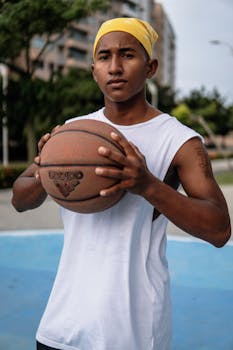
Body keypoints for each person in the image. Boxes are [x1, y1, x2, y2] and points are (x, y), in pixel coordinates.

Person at [12, 17, 231, 350]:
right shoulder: (72, 132)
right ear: (93, 70)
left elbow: (219, 230)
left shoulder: (181, 142)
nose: (114, 67)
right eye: (104, 57)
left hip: (133, 332)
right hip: (61, 326)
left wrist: (148, 185)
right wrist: (47, 173)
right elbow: (19, 198)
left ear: (151, 67)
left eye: (128, 54)